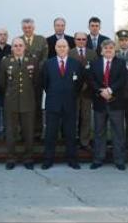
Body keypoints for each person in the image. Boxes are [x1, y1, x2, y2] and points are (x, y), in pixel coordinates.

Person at [41, 39, 83, 170]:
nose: (62, 48)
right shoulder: (48, 64)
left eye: (64, 46)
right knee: (50, 134)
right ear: (55, 48)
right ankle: (48, 160)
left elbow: (79, 83)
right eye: (59, 46)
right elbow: (45, 83)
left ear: (68, 48)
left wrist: (70, 94)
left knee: (70, 134)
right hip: (53, 104)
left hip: (70, 103)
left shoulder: (75, 64)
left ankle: (72, 160)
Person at [0, 38, 39, 170]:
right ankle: (11, 158)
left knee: (28, 131)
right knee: (11, 132)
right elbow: (2, 83)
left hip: (28, 101)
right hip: (11, 102)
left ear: (25, 47)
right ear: (11, 48)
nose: (18, 48)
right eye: (15, 46)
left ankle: (28, 158)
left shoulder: (32, 60)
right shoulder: (5, 61)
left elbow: (36, 81)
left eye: (20, 45)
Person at [89, 39, 128, 171]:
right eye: (106, 48)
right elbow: (91, 80)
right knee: (99, 132)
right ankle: (98, 159)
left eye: (111, 48)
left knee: (118, 132)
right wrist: (101, 91)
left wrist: (110, 90)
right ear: (102, 50)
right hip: (99, 103)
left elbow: (122, 80)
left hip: (116, 103)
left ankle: (119, 160)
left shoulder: (121, 63)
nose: (108, 50)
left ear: (114, 50)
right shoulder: (95, 63)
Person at [67, 32, 97, 151]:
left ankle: (84, 142)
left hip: (87, 91)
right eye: (78, 39)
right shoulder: (70, 53)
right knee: (73, 117)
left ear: (86, 40)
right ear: (74, 40)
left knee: (86, 117)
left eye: (83, 39)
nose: (81, 41)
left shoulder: (92, 53)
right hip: (73, 91)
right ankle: (72, 141)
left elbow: (95, 71)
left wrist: (88, 85)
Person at [20, 18, 49, 140]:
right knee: (23, 106)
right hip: (23, 80)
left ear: (33, 28)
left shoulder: (41, 40)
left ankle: (37, 132)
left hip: (37, 79)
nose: (27, 30)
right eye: (25, 28)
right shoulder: (18, 40)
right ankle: (24, 132)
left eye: (29, 27)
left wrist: (35, 70)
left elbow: (44, 58)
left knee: (37, 105)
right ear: (22, 28)